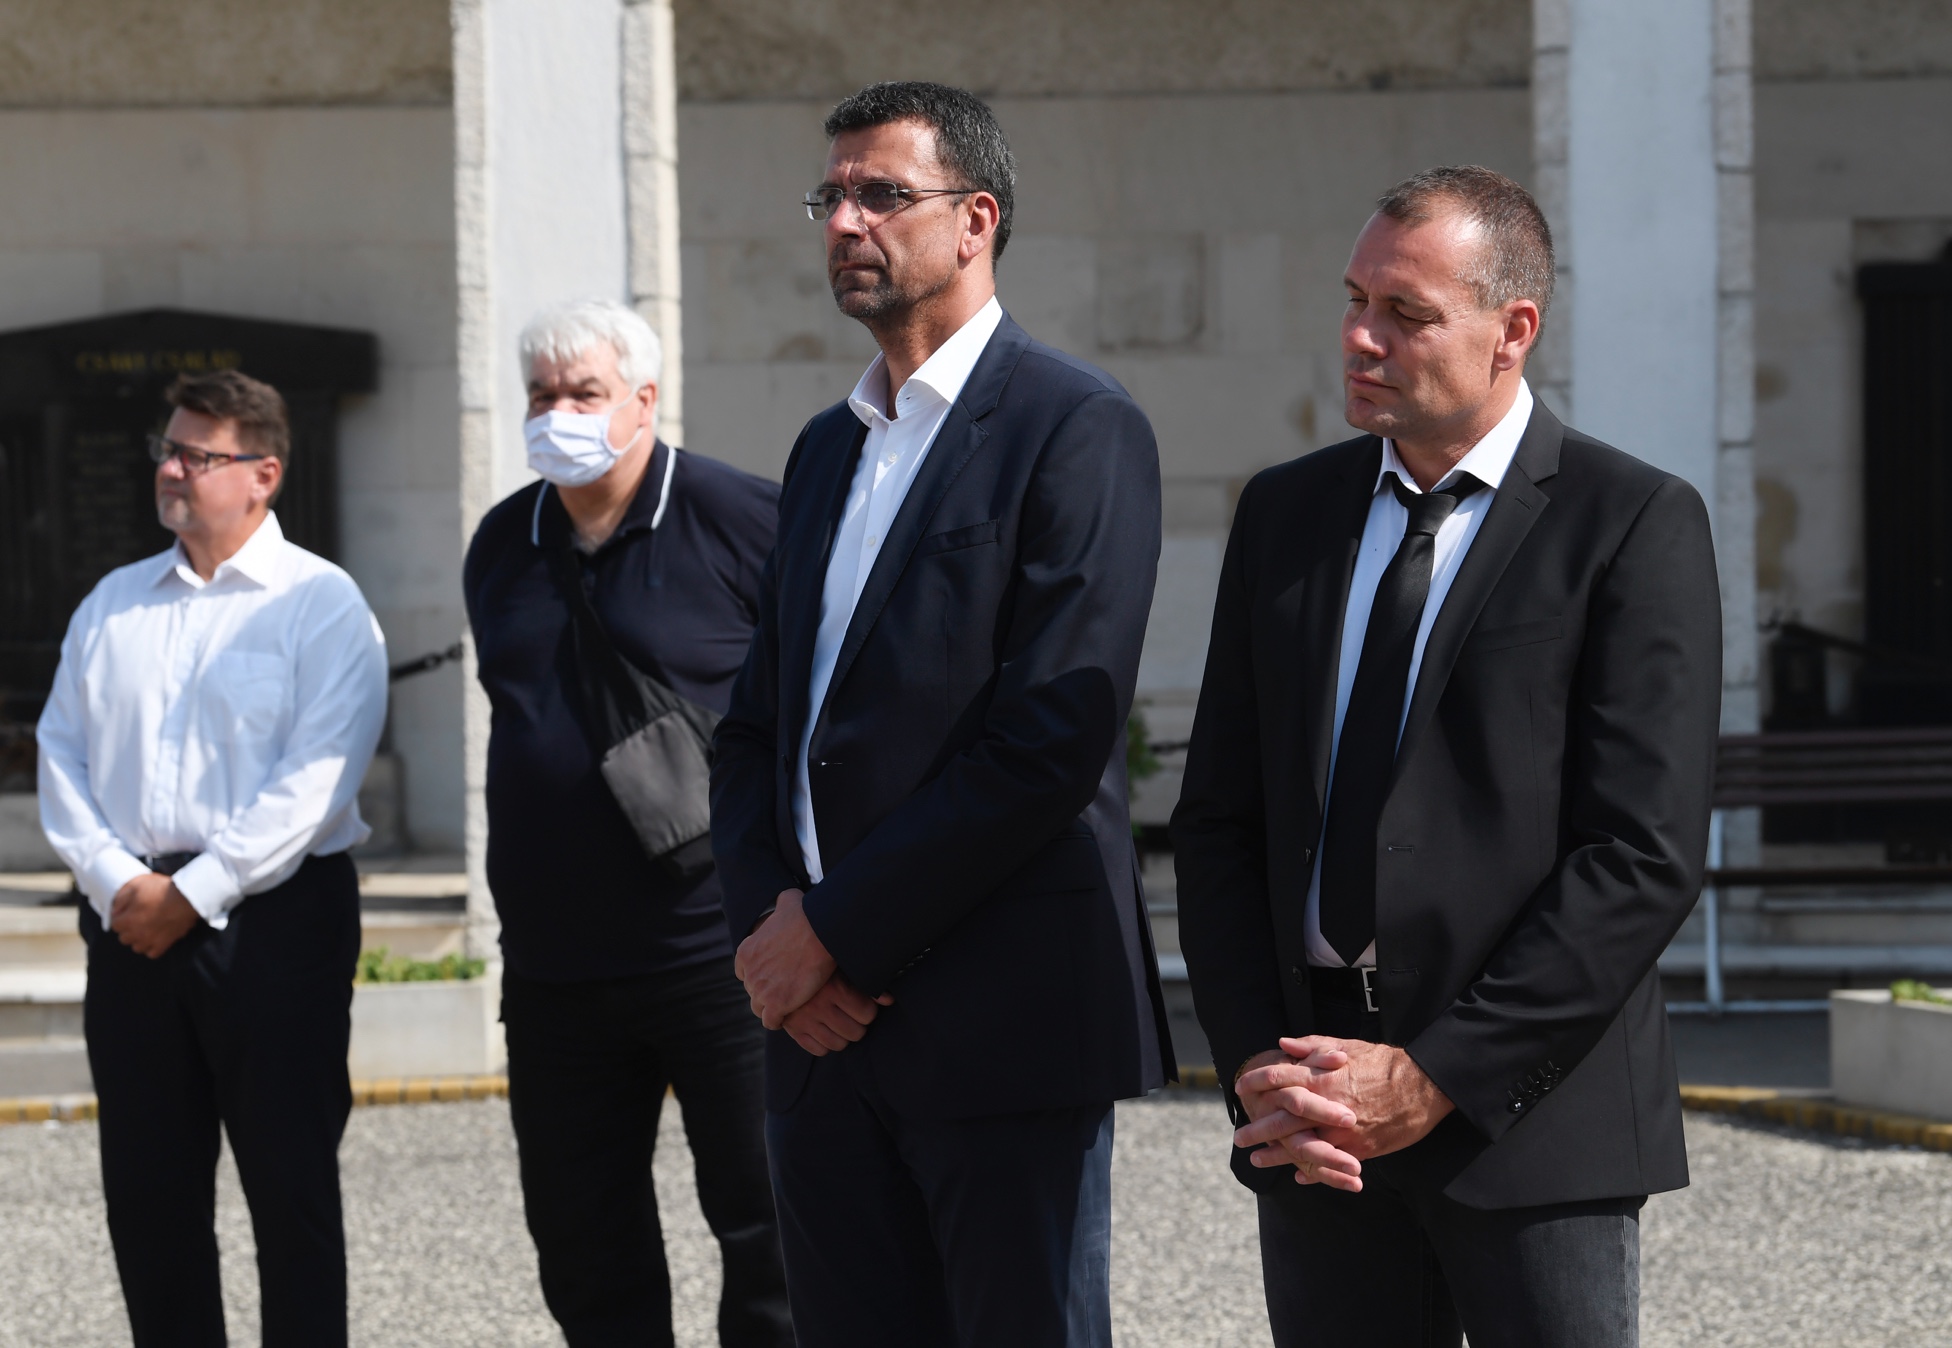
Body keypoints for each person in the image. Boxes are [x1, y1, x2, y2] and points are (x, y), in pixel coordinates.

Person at [1172, 165, 1722, 1347]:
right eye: (1352, 299)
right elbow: (1220, 817)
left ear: (1510, 331)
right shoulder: (1282, 514)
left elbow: (1639, 855)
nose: (1359, 338)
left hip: (1529, 1118)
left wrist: (1434, 1077)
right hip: (1313, 1106)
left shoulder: (1628, 521)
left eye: (1405, 313)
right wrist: (1258, 1063)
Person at [710, 81, 1171, 1348]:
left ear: (975, 220)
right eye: (830, 195)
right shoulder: (826, 448)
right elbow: (754, 730)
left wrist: (832, 934)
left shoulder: (1075, 427)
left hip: (999, 1019)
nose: (843, 221)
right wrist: (772, 936)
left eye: (880, 194)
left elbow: (1046, 744)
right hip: (818, 1036)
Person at [463, 298, 791, 1346]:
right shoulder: (501, 543)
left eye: (585, 393)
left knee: (770, 1230)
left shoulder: (742, 519)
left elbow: (819, 713)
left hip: (719, 955)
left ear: (644, 402)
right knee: (583, 1243)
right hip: (554, 970)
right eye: (541, 396)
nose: (558, 414)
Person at [36, 369, 388, 1347]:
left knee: (291, 1192)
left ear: (263, 474)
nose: (170, 469)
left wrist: (193, 892)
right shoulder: (112, 604)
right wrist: (117, 881)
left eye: (197, 454)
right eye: (169, 448)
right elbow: (59, 753)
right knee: (148, 1195)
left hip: (275, 926)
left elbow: (317, 778)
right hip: (131, 923)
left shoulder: (320, 602)